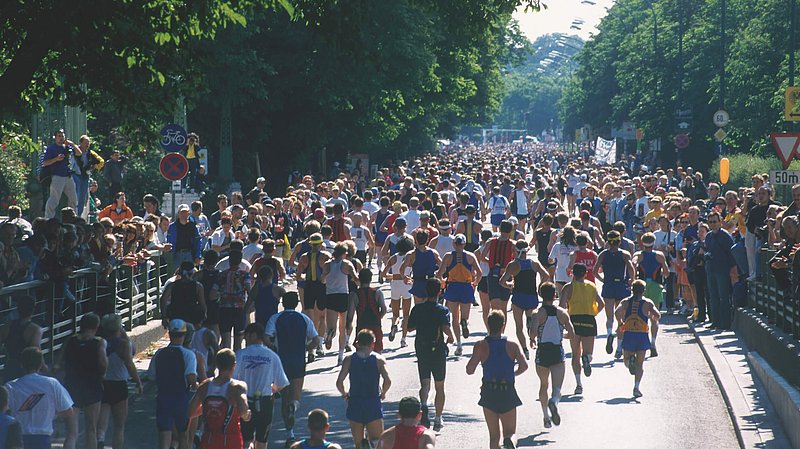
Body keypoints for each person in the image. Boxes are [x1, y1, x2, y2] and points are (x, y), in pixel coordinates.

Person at [265, 292, 320, 448]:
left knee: (285, 396)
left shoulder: (275, 318)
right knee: (295, 397)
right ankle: (293, 408)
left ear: (283, 302)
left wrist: (273, 348)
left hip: (281, 361)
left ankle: (290, 434)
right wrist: (305, 348)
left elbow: (266, 337)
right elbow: (316, 340)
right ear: (297, 303)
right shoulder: (304, 318)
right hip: (298, 360)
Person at [465, 310, 527, 449]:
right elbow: (524, 366)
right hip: (507, 391)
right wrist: (513, 374)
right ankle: (510, 441)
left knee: (494, 437)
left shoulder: (481, 345)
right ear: (503, 325)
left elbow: (469, 370)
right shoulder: (512, 345)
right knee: (510, 432)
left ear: (488, 324)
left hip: (489, 391)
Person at [407, 278, 455, 431]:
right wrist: (451, 337)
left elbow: (409, 328)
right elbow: (446, 327)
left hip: (422, 347)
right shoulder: (442, 310)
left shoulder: (417, 309)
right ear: (439, 292)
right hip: (438, 349)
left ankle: (423, 405)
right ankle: (438, 418)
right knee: (439, 385)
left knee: (425, 383)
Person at [55, 313, 107, 449]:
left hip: (72, 386)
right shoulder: (99, 341)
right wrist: (102, 374)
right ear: (96, 326)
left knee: (71, 433)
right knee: (91, 429)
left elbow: (57, 364)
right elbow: (102, 362)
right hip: (92, 385)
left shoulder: (70, 340)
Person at [234, 323, 290, 449]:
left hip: (245, 401)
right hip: (265, 401)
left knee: (246, 438)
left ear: (254, 335)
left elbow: (232, 379)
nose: (244, 339)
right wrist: (273, 388)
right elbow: (282, 382)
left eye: (246, 336)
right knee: (262, 439)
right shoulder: (272, 356)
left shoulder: (241, 354)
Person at [6, 347, 73, 449]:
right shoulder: (52, 384)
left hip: (18, 438)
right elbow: (68, 411)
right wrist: (51, 415)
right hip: (43, 438)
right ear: (40, 365)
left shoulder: (11, 386)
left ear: (21, 364)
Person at [528, 282, 574, 429]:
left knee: (543, 384)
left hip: (542, 352)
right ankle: (554, 401)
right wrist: (561, 334)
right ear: (555, 295)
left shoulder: (537, 313)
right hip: (557, 351)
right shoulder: (562, 313)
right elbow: (572, 334)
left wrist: (532, 339)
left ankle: (546, 417)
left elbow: (533, 332)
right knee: (557, 388)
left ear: (540, 294)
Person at [336, 330, 392, 449]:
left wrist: (344, 394)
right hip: (373, 403)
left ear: (357, 343)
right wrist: (383, 393)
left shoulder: (349, 359)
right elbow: (388, 381)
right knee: (377, 442)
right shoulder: (379, 359)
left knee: (358, 444)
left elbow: (339, 382)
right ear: (373, 343)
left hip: (355, 402)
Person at [148, 319, 198, 449]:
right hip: (181, 398)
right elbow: (191, 377)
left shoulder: (159, 354)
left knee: (164, 436)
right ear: (184, 335)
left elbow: (151, 377)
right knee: (183, 435)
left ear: (169, 334)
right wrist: (197, 386)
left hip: (163, 397)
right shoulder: (188, 355)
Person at [188, 348, 251, 449]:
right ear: (234, 365)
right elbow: (243, 411)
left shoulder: (205, 385)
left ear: (217, 364)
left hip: (209, 439)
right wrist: (247, 415)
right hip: (231, 440)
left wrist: (210, 409)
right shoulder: (237, 387)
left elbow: (190, 412)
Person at [97, 314, 142, 449]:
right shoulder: (123, 344)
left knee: (102, 419)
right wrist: (138, 382)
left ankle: (100, 438)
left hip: (103, 383)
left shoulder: (100, 343)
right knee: (119, 425)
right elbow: (129, 362)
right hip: (119, 384)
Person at [499, 240, 549, 361]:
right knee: (532, 319)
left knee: (518, 326)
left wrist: (510, 286)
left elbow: (501, 281)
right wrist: (540, 287)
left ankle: (525, 349)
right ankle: (532, 333)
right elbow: (546, 275)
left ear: (516, 251)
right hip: (532, 296)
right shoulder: (534, 263)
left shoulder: (513, 264)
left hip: (518, 297)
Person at [558, 263, 604, 395]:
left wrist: (563, 322)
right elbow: (601, 304)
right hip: (589, 320)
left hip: (574, 321)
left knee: (575, 354)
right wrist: (593, 313)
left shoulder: (568, 287)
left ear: (572, 273)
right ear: (585, 273)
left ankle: (578, 384)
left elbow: (561, 307)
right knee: (588, 353)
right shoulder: (591, 286)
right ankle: (587, 358)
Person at [615, 280, 661, 398]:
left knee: (626, 361)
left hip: (629, 334)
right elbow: (658, 315)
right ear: (643, 291)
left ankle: (630, 360)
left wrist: (620, 323)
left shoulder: (625, 302)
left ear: (632, 290)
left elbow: (617, 312)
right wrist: (651, 317)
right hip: (642, 335)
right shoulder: (648, 303)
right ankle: (636, 387)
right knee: (640, 364)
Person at [437, 234, 482, 356]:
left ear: (454, 244)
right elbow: (480, 272)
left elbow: (439, 273)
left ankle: (459, 344)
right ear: (464, 244)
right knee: (465, 315)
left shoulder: (447, 257)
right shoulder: (470, 256)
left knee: (454, 317)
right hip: (466, 287)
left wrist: (442, 282)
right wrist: (475, 283)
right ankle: (465, 322)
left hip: (453, 286)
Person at [594, 230, 635, 358]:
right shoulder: (624, 254)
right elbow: (631, 268)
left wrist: (602, 280)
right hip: (621, 286)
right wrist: (631, 280)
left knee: (609, 316)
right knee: (621, 318)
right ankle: (619, 347)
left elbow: (595, 271)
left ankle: (609, 333)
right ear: (619, 241)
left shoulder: (603, 254)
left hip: (609, 285)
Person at [632, 232, 669, 356]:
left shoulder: (638, 254)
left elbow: (634, 263)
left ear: (642, 243)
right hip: (655, 286)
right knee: (655, 315)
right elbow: (666, 272)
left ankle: (641, 341)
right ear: (654, 242)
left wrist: (633, 277)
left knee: (641, 314)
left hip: (642, 286)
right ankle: (653, 342)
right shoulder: (659, 255)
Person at [322, 242, 360, 365]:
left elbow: (322, 279)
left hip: (330, 295)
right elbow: (355, 278)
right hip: (343, 295)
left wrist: (329, 281)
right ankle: (340, 355)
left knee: (331, 327)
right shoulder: (347, 264)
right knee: (342, 327)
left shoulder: (327, 264)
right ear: (344, 253)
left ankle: (329, 335)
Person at [296, 233, 330, 359]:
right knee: (322, 317)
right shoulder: (326, 256)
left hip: (309, 286)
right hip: (321, 287)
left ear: (310, 244)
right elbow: (330, 273)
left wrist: (306, 277)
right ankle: (319, 345)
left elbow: (298, 276)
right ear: (321, 244)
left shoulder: (304, 257)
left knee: (310, 318)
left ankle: (311, 349)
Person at [704, 211, 738, 330]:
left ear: (720, 222)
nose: (712, 224)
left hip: (722, 270)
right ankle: (715, 321)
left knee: (723, 297)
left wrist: (732, 269)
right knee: (713, 296)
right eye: (710, 222)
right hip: (711, 269)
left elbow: (731, 253)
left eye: (714, 221)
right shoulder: (708, 236)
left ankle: (725, 323)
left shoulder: (725, 236)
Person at [381, 235, 414, 348]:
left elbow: (384, 274)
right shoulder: (411, 258)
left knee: (395, 313)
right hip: (407, 285)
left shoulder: (393, 258)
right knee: (406, 315)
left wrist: (394, 276)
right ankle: (403, 339)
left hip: (395, 285)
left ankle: (394, 325)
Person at [0, 296, 42, 383]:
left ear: (18, 308)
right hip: (27, 369)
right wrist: (44, 366)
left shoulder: (8, 325)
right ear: (33, 310)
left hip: (10, 365)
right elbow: (35, 351)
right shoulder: (35, 329)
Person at [42, 129, 79, 219]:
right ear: (55, 137)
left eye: (62, 136)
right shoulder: (51, 148)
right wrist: (56, 159)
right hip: (57, 176)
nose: (61, 138)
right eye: (59, 136)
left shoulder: (67, 147)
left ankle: (74, 218)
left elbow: (79, 153)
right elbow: (44, 163)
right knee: (54, 199)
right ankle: (48, 218)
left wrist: (72, 144)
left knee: (74, 199)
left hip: (68, 176)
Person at [219, 251, 251, 351]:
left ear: (229, 260)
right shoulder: (244, 275)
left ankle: (226, 362)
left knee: (226, 342)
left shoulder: (222, 275)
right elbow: (249, 290)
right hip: (239, 309)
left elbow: (214, 291)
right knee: (238, 343)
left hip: (224, 309)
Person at [161, 261, 207, 328]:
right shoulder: (198, 286)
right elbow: (202, 303)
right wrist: (203, 315)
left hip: (175, 316)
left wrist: (164, 316)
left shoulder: (172, 285)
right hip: (192, 317)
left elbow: (163, 300)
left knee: (176, 337)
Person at [400, 231, 441, 304]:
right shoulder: (434, 253)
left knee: (419, 308)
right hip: (431, 283)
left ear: (416, 240)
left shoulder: (411, 254)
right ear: (427, 240)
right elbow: (442, 266)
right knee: (431, 307)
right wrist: (439, 276)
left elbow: (402, 269)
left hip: (418, 283)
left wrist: (404, 277)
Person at [484, 221, 516, 310]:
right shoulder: (513, 244)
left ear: (500, 229)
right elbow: (516, 261)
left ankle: (495, 323)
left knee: (494, 306)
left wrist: (492, 263)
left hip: (493, 273)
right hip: (506, 274)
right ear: (510, 231)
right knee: (503, 307)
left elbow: (482, 257)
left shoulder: (490, 241)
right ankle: (503, 324)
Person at [354, 268, 387, 353]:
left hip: (361, 326)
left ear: (359, 278)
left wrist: (347, 327)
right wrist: (379, 317)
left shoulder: (354, 294)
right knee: (377, 353)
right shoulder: (377, 292)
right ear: (371, 279)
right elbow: (384, 309)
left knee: (361, 352)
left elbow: (350, 315)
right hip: (375, 324)